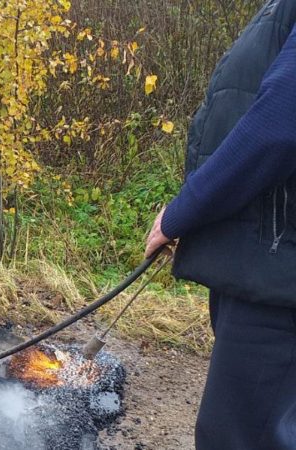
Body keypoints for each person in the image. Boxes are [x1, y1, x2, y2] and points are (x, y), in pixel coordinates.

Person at [144, 1, 296, 448]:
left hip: (278, 278)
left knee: (240, 436)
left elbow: (277, 125)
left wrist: (183, 212)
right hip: (265, 266)